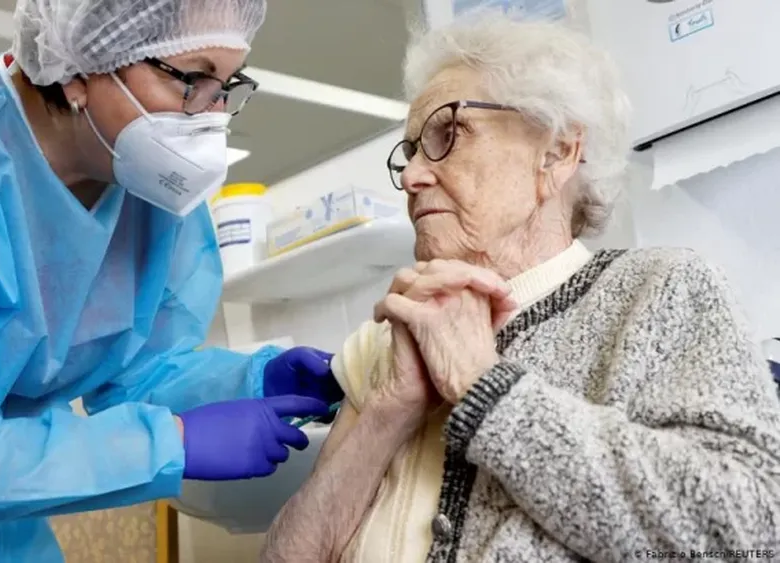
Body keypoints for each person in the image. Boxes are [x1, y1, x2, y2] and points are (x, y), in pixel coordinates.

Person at [0, 0, 343, 560]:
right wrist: (171, 444)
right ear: (78, 70)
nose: (211, 114)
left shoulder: (149, 184)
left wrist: (251, 378)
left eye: (227, 84)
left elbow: (138, 369)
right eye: (192, 78)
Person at [262, 14, 780, 563]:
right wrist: (391, 410)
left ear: (556, 153)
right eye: (410, 151)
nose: (413, 176)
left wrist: (487, 389)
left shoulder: (659, 291)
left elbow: (751, 527)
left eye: (448, 133)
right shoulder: (382, 339)